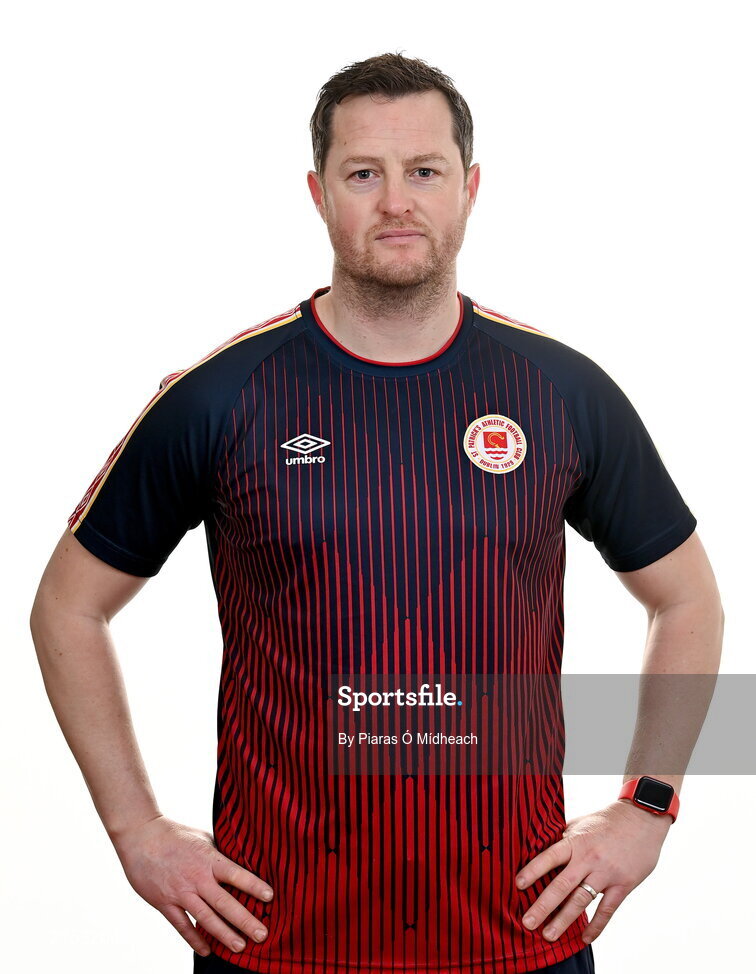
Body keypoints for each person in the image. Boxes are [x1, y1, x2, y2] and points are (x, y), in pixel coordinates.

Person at [30, 52, 724, 974]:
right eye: (364, 174)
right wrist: (134, 831)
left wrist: (647, 807)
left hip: (517, 938)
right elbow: (65, 607)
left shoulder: (562, 391)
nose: (397, 201)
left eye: (424, 172)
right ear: (318, 192)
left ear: (470, 189)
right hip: (274, 941)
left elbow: (690, 601)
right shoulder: (220, 397)